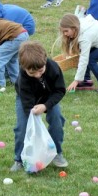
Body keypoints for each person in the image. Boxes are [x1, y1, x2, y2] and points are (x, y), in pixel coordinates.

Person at [10, 40, 68, 172]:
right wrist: (32, 112)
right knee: (22, 127)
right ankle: (19, 159)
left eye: (41, 71)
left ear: (45, 61)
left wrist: (46, 106)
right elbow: (25, 99)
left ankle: (57, 153)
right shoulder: (23, 77)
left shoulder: (53, 67)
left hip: (49, 98)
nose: (37, 75)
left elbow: (59, 90)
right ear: (24, 67)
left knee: (57, 120)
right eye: (32, 73)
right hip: (27, 100)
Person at [59, 13, 98, 93]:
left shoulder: (85, 37)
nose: (65, 34)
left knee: (90, 60)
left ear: (74, 28)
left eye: (66, 31)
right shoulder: (78, 26)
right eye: (63, 32)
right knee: (88, 56)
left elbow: (84, 59)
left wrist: (76, 80)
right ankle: (86, 81)